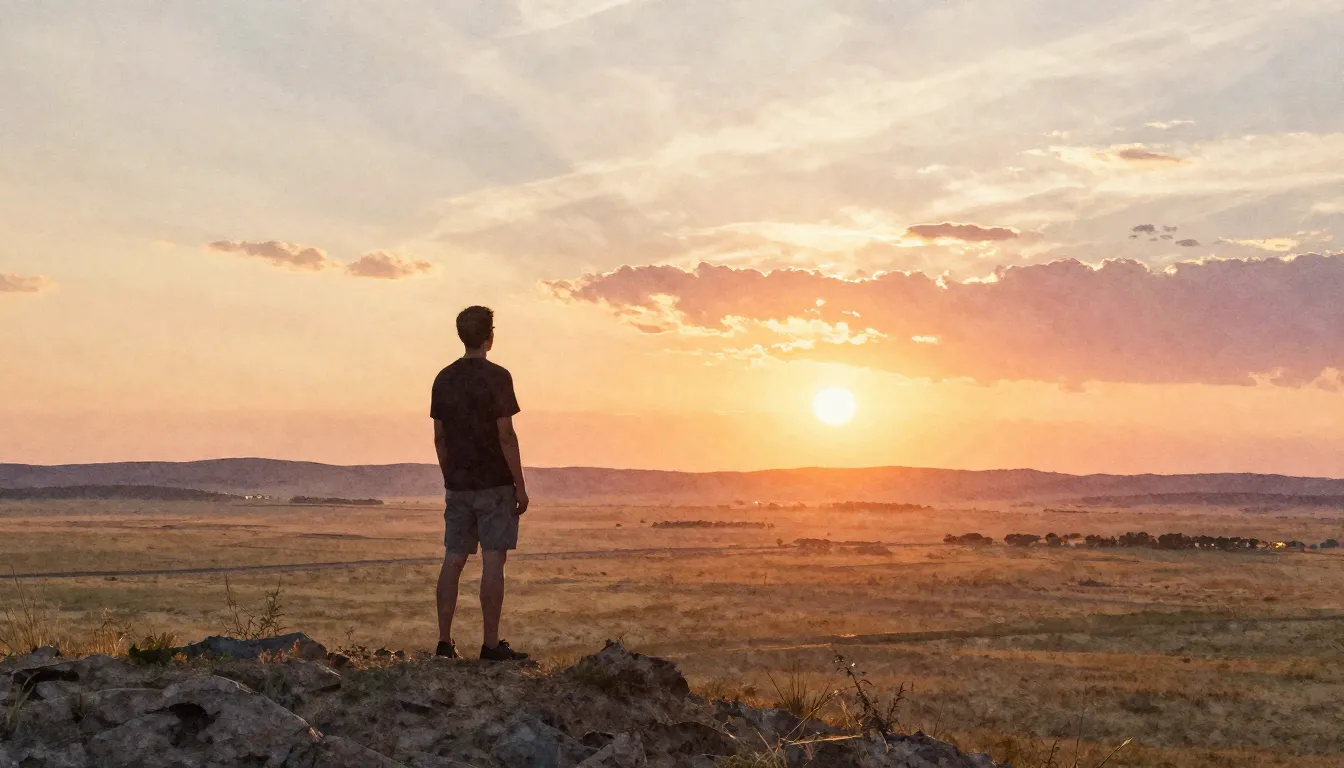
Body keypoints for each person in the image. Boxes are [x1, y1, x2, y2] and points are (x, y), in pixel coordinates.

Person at [429, 305, 529, 661]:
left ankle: (444, 643)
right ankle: (490, 644)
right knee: (493, 561)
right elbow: (506, 435)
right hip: (495, 483)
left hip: (459, 484)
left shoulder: (443, 379)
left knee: (453, 559)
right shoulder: (498, 377)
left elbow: (439, 437)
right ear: (490, 336)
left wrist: (450, 476)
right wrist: (520, 485)